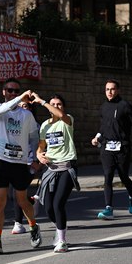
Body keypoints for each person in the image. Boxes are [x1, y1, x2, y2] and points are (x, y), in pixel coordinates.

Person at [0, 78, 42, 254]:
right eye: (10, 90)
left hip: (19, 163)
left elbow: (34, 137)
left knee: (22, 200)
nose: (13, 93)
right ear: (4, 92)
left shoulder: (26, 115)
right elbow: (1, 111)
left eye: (16, 91)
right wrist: (19, 98)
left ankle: (33, 226)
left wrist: (36, 157)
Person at [91, 79, 132, 220]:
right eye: (107, 89)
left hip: (122, 147)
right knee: (108, 176)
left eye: (112, 89)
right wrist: (97, 137)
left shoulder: (124, 105)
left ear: (118, 90)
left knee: (123, 176)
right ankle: (108, 208)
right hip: (107, 147)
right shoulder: (103, 107)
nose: (110, 92)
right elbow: (103, 126)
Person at [33, 93, 79, 253]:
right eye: (53, 104)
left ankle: (62, 241)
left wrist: (42, 101)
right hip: (51, 169)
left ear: (63, 107)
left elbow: (59, 114)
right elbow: (41, 146)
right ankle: (60, 228)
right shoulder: (45, 125)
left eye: (59, 104)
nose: (56, 106)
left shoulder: (67, 120)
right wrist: (39, 155)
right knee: (49, 208)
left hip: (67, 167)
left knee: (58, 203)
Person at [11, 101, 41, 234]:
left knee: (17, 192)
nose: (22, 109)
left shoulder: (35, 126)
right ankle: (31, 201)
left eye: (25, 106)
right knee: (15, 194)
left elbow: (39, 145)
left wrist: (35, 160)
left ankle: (18, 223)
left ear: (30, 109)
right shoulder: (13, 124)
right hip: (14, 161)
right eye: (20, 106)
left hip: (29, 162)